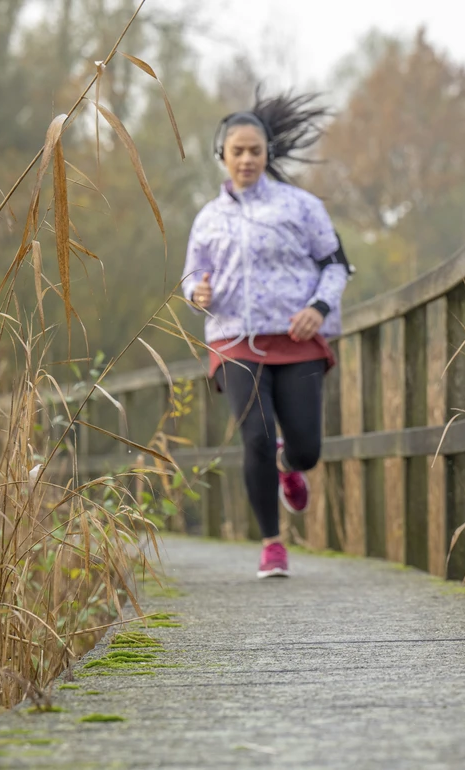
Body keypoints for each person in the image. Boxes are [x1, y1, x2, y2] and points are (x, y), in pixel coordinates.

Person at [181, 90, 350, 579]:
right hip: (234, 338)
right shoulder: (208, 218)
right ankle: (272, 544)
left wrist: (318, 307)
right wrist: (198, 294)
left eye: (255, 150)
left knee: (306, 448)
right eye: (238, 151)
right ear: (223, 156)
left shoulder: (302, 206)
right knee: (253, 436)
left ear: (267, 154)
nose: (247, 159)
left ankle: (289, 466)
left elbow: (336, 266)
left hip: (295, 339)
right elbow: (190, 276)